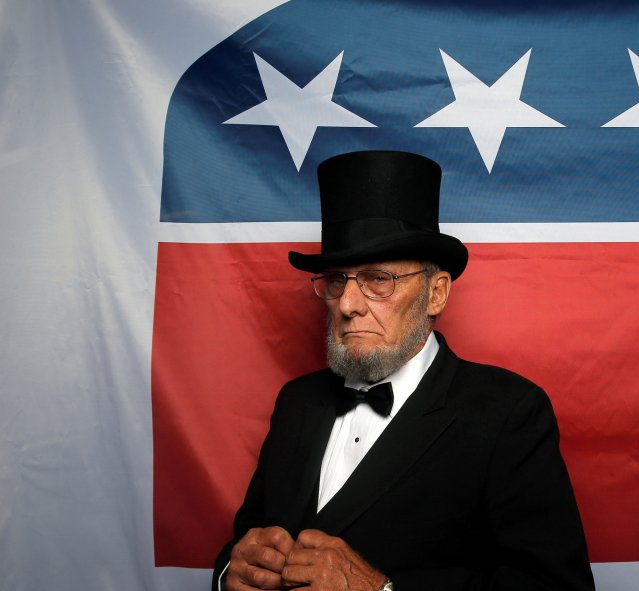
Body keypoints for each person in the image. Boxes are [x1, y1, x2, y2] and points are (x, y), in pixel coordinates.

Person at [212, 150, 595, 591]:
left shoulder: (508, 413)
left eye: (378, 279)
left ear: (436, 294)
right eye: (337, 280)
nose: (349, 305)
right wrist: (230, 574)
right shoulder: (298, 401)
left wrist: (381, 590)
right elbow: (247, 541)